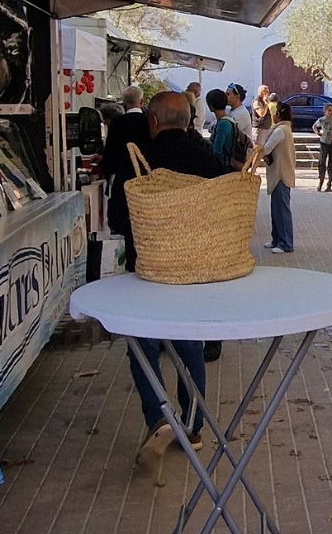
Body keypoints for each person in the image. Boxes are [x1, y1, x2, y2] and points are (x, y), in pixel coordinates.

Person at [113, 91, 228, 461]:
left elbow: (116, 218)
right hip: (193, 271)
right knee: (189, 344)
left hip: (146, 270)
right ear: (188, 120)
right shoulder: (207, 159)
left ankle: (158, 417)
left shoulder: (138, 161)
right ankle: (193, 428)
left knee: (142, 343)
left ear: (153, 121)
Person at [103, 86, 151, 243]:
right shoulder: (149, 122)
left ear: (124, 103)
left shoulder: (118, 122)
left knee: (123, 218)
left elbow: (110, 151)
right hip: (145, 177)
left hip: (123, 177)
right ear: (141, 101)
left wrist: (106, 171)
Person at [262, 101, 296, 253]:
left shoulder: (280, 130)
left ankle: (285, 243)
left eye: (275, 112)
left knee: (281, 210)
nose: (273, 115)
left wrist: (257, 148)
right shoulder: (284, 128)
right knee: (276, 209)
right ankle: (276, 239)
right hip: (279, 173)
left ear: (279, 115)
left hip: (281, 174)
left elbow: (266, 149)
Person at [206, 88, 244, 169]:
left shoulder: (223, 124)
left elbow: (217, 151)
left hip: (224, 167)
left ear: (211, 106)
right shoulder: (227, 120)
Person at [312, 102, 332, 191]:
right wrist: (317, 132)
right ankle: (321, 181)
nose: (331, 112)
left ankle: (329, 183)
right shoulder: (321, 120)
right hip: (324, 142)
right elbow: (314, 126)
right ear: (325, 111)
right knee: (322, 162)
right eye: (329, 110)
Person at [251, 84, 273, 148]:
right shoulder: (257, 101)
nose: (267, 94)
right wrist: (266, 104)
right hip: (259, 129)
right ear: (261, 92)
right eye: (266, 92)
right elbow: (261, 114)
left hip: (266, 128)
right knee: (258, 149)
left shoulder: (264, 101)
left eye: (268, 92)